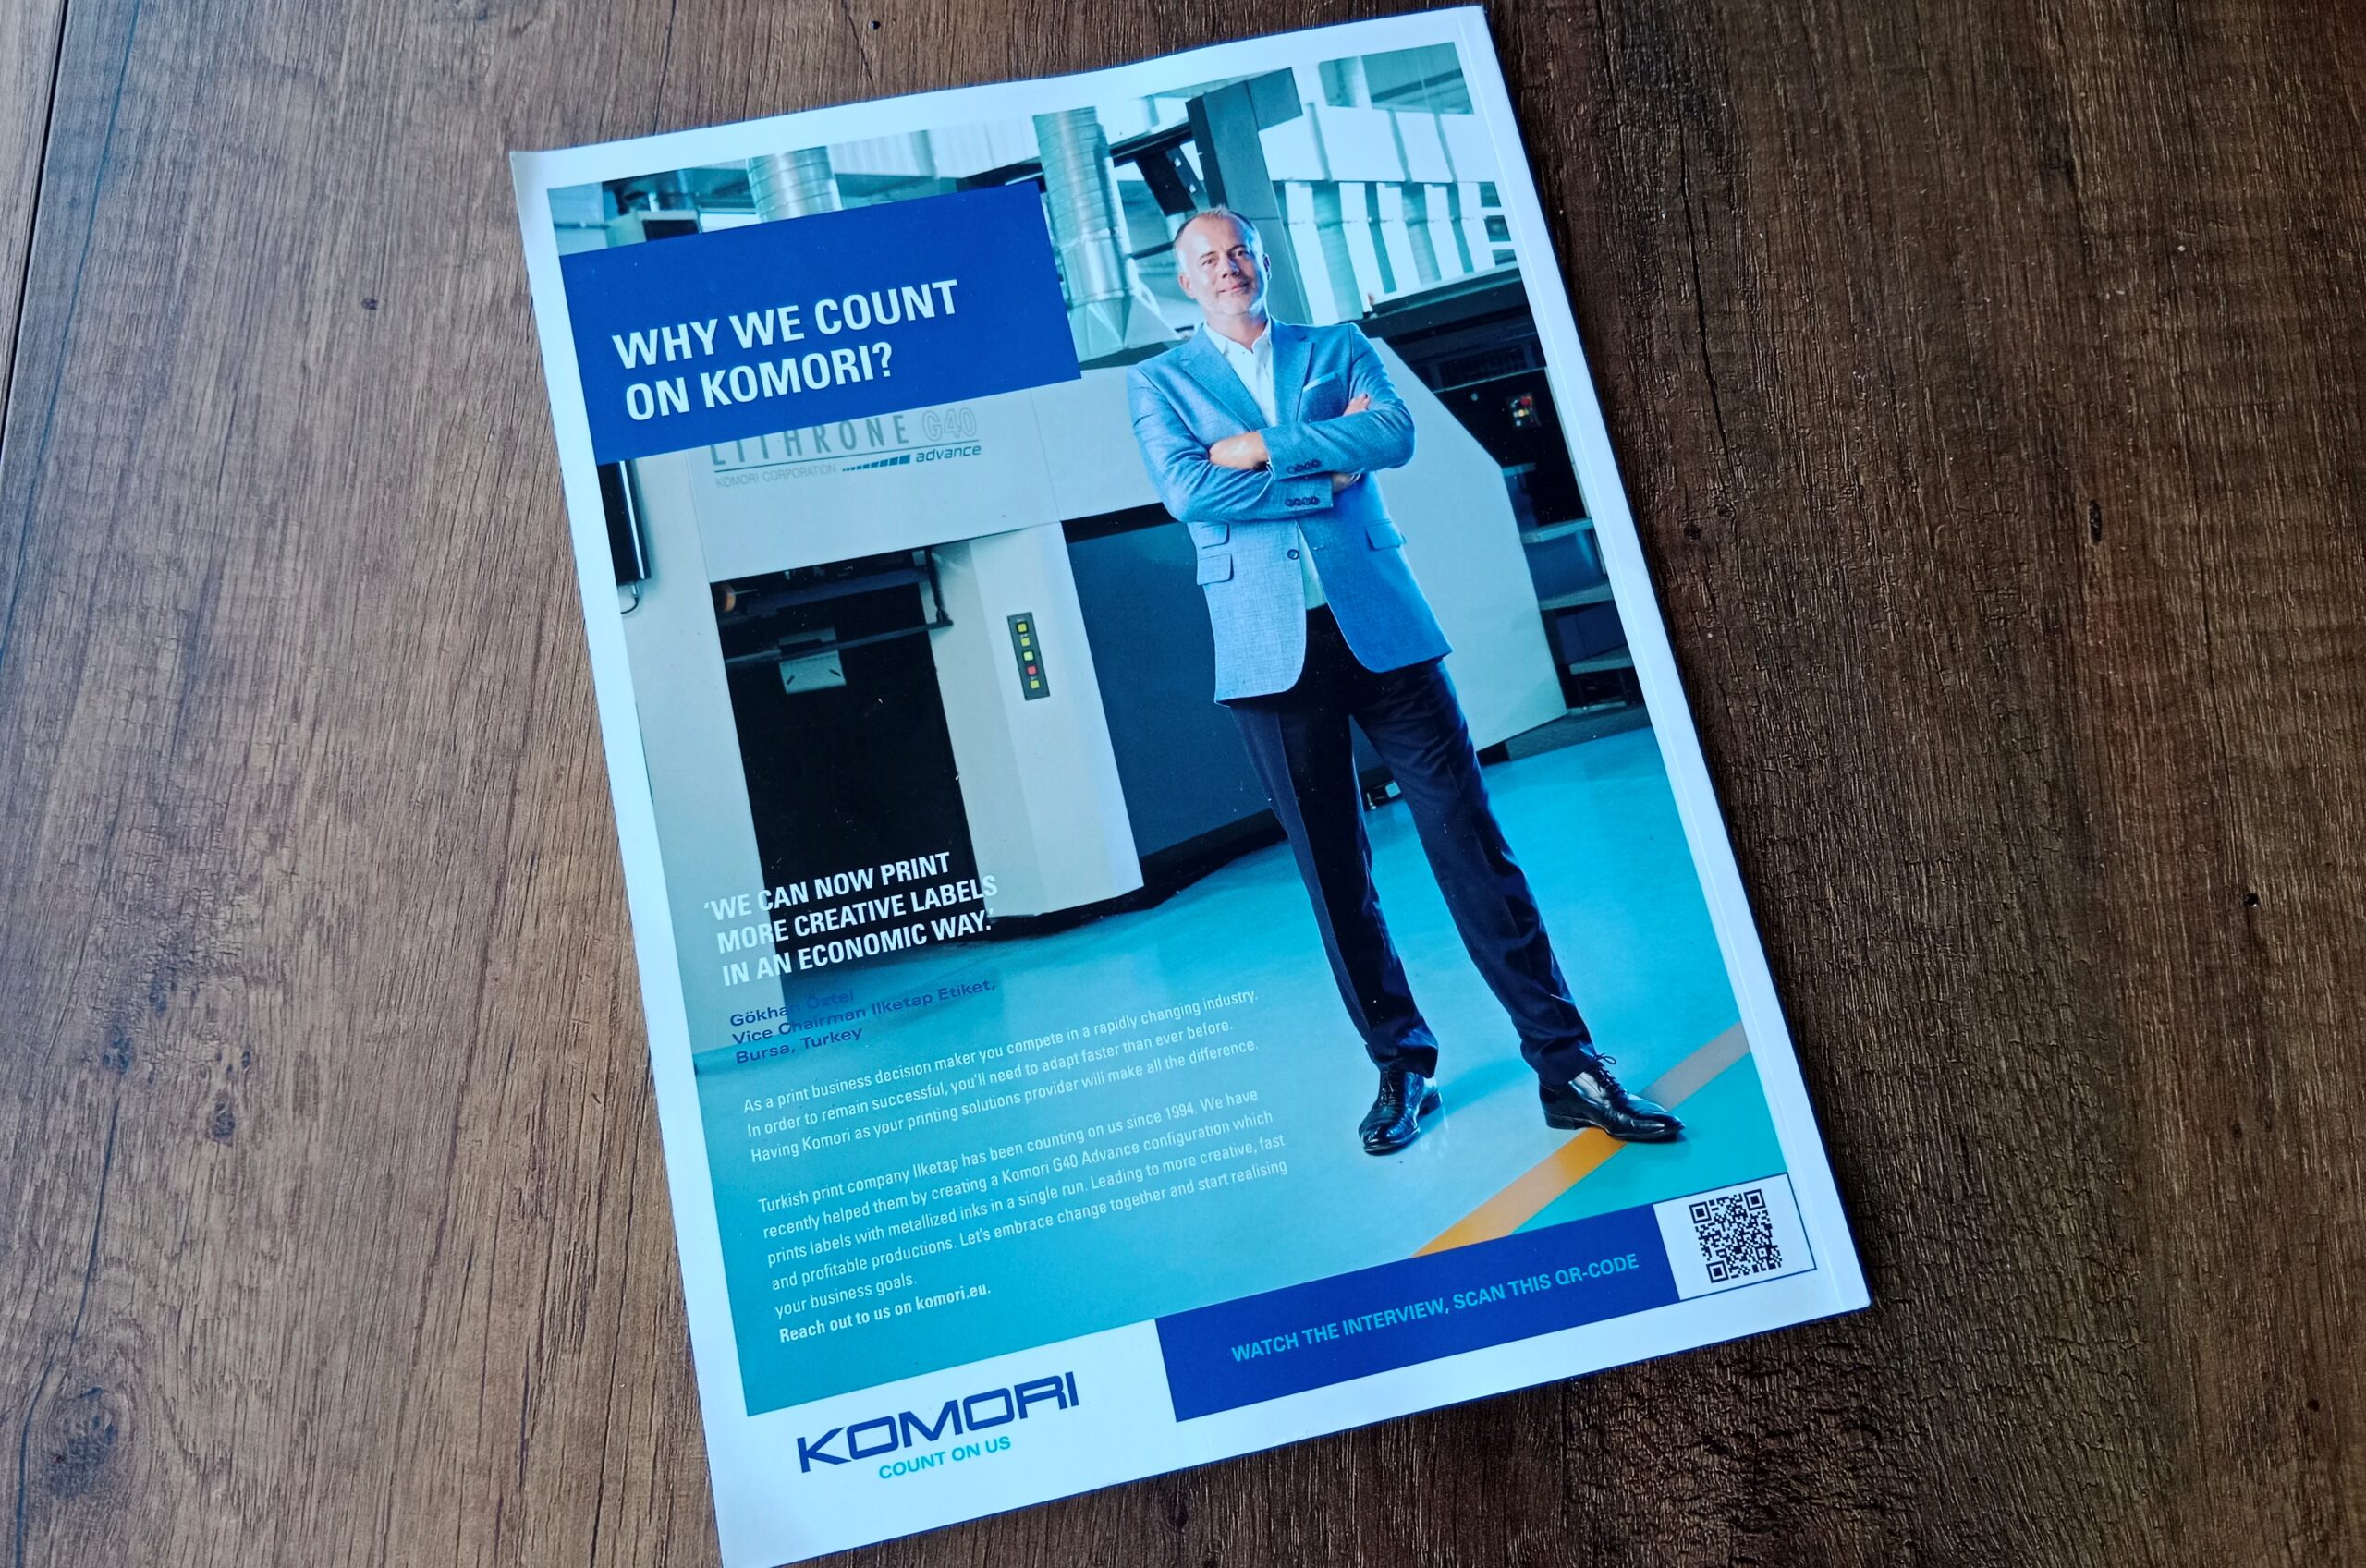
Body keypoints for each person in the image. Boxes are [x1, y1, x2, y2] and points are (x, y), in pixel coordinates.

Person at [1125, 208, 1682, 1155]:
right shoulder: (1159, 382)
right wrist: (1321, 461)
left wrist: (1260, 447)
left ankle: (1567, 1063)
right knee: (1334, 873)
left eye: (1240, 250)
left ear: (1262, 260)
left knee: (1472, 843)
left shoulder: (1338, 346)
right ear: (1185, 281)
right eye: (1207, 259)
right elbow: (1190, 492)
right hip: (1268, 653)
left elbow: (1390, 436)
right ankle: (1400, 1063)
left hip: (1382, 627)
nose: (1228, 267)